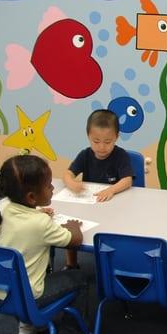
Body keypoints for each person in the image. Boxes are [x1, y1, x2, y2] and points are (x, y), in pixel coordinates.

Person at [0, 155, 90, 334]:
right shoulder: (41, 224)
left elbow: (24, 226)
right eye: (49, 185)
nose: (52, 188)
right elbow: (74, 240)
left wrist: (37, 212)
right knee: (79, 278)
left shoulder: (2, 211)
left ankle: (26, 326)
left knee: (22, 270)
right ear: (31, 198)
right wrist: (73, 226)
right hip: (28, 297)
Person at [63, 109, 133, 269]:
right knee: (70, 226)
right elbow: (68, 173)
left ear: (116, 137)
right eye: (96, 141)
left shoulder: (120, 155)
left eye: (108, 142)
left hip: (114, 206)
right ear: (88, 136)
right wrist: (72, 183)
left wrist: (112, 190)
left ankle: (115, 263)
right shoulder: (85, 155)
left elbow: (127, 180)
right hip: (90, 205)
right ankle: (71, 264)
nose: (102, 147)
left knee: (116, 231)